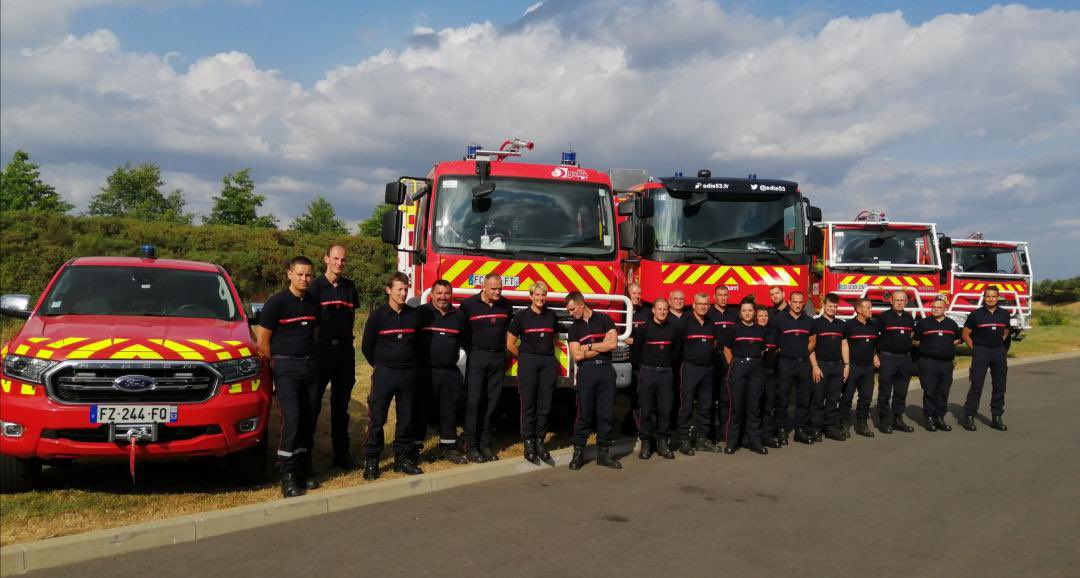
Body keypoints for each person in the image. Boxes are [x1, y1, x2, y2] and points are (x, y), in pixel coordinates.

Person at [257, 256, 321, 498]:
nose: (304, 279)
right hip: (286, 369)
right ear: (290, 274)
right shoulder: (277, 303)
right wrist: (277, 369)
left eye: (308, 275)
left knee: (308, 419)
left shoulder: (315, 303)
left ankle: (304, 467)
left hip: (310, 367)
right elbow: (262, 342)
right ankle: (288, 474)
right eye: (300, 274)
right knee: (292, 420)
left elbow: (314, 335)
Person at [360, 272, 422, 480]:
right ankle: (371, 460)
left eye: (406, 289)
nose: (404, 293)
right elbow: (367, 347)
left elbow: (419, 345)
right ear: (389, 290)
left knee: (406, 417)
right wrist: (382, 365)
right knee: (377, 418)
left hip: (409, 374)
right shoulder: (377, 316)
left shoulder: (414, 315)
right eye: (399, 290)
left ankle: (402, 458)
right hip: (385, 373)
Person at [310, 244, 361, 471]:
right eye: (336, 259)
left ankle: (341, 455)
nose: (339, 263)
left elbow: (350, 318)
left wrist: (348, 345)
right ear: (326, 259)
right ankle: (306, 457)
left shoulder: (350, 287)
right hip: (321, 352)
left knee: (341, 407)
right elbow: (311, 323)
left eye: (343, 260)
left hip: (343, 353)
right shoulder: (314, 287)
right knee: (312, 406)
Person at [460, 273, 514, 462]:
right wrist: (473, 350)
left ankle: (485, 444)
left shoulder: (507, 306)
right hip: (477, 356)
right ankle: (471, 445)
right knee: (474, 402)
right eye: (494, 288)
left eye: (500, 288)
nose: (498, 291)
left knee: (493, 402)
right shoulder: (468, 305)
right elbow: (463, 332)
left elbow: (508, 331)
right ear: (484, 287)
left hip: (498, 358)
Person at [566, 291, 622, 470]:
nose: (570, 313)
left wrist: (589, 346)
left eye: (572, 309)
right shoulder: (574, 328)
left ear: (582, 304)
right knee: (584, 414)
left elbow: (613, 344)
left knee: (605, 413)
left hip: (606, 370)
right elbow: (577, 355)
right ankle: (578, 453)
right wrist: (601, 346)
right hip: (587, 372)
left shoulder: (604, 319)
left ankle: (604, 453)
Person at [507, 282, 560, 465]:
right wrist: (523, 357)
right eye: (537, 295)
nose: (540, 298)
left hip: (547, 362)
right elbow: (510, 344)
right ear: (530, 296)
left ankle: (540, 442)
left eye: (543, 295)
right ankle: (528, 444)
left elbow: (555, 338)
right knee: (528, 404)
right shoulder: (521, 317)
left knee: (544, 405)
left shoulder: (552, 316)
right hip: (528, 360)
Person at [417, 279, 468, 464]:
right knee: (421, 410)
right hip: (425, 371)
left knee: (449, 410)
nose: (442, 297)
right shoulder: (421, 313)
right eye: (439, 293)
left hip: (449, 371)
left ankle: (448, 447)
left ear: (451, 295)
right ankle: (415, 448)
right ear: (432, 293)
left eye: (446, 293)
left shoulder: (459, 316)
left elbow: (465, 340)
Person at [631, 298, 679, 460]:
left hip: (666, 373)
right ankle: (646, 442)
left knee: (665, 410)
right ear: (653, 310)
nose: (663, 312)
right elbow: (636, 352)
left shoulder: (673, 329)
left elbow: (676, 352)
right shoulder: (643, 329)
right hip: (648, 373)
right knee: (646, 409)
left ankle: (662, 442)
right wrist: (642, 372)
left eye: (665, 309)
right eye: (659, 309)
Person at [676, 293, 722, 455]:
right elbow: (677, 346)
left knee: (706, 406)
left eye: (706, 304)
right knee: (686, 406)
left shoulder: (711, 323)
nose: (703, 306)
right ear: (694, 305)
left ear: (709, 306)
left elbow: (715, 344)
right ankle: (684, 440)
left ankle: (703, 439)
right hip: (690, 368)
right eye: (700, 304)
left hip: (707, 370)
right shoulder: (685, 322)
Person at [722, 297, 768, 454]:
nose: (747, 313)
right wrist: (733, 365)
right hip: (738, 368)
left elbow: (763, 349)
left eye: (750, 310)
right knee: (737, 406)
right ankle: (732, 442)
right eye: (744, 311)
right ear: (740, 313)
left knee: (754, 407)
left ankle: (754, 441)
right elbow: (727, 349)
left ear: (754, 313)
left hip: (755, 368)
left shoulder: (761, 330)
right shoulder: (733, 329)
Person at [961, 286, 1011, 431]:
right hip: (981, 351)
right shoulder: (975, 314)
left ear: (998, 297)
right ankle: (969, 416)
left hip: (998, 352)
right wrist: (975, 348)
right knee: (976, 385)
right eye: (988, 296)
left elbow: (1006, 331)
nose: (990, 299)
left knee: (1000, 386)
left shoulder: (1004, 314)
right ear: (984, 297)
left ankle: (997, 417)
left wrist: (1000, 344)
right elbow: (965, 334)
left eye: (993, 296)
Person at [773, 291, 815, 444]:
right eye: (795, 302)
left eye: (800, 302)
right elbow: (774, 342)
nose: (797, 305)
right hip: (786, 363)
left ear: (803, 303)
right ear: (789, 302)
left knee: (804, 398)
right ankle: (782, 430)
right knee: (782, 398)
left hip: (803, 363)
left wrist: (804, 352)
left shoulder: (809, 321)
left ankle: (800, 430)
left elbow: (813, 340)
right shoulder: (779, 320)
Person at [914, 297, 961, 431]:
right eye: (933, 307)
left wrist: (947, 345)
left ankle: (939, 417)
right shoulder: (923, 323)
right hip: (928, 362)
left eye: (938, 307)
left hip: (946, 363)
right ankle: (929, 418)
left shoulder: (951, 324)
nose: (935, 309)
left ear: (944, 309)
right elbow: (915, 340)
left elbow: (958, 339)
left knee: (943, 391)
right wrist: (927, 346)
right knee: (930, 390)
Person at [875, 291, 917, 434]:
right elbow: (874, 336)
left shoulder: (909, 317)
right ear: (891, 301)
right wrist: (875, 355)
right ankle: (884, 420)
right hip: (888, 358)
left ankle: (897, 419)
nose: (899, 302)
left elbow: (911, 334)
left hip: (905, 359)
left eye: (902, 300)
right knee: (885, 391)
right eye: (897, 300)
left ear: (906, 302)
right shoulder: (883, 317)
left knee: (901, 391)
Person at [810, 293, 849, 442]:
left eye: (835, 306)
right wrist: (814, 366)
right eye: (830, 306)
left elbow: (844, 344)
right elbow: (811, 346)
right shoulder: (816, 323)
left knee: (833, 399)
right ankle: (816, 428)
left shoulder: (841, 324)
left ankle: (830, 427)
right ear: (824, 306)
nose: (833, 309)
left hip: (837, 366)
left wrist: (846, 365)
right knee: (818, 399)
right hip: (821, 366)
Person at [841, 299, 879, 438]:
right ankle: (844, 423)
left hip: (868, 368)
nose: (871, 310)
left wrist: (875, 356)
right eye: (868, 307)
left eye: (871, 307)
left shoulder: (873, 325)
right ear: (858, 310)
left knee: (866, 398)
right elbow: (843, 345)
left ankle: (861, 424)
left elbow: (873, 344)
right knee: (847, 397)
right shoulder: (848, 326)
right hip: (853, 367)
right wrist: (846, 365)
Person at [708, 285, 738, 443]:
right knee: (710, 399)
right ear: (714, 297)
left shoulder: (733, 315)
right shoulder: (709, 315)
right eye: (720, 295)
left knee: (726, 398)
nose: (723, 298)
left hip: (730, 361)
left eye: (725, 295)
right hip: (713, 360)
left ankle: (725, 432)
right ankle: (711, 433)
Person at [757, 304, 783, 447]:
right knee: (755, 405)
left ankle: (766, 434)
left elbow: (778, 350)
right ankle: (754, 434)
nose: (763, 318)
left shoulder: (772, 333)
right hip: (755, 373)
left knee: (769, 404)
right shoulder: (752, 331)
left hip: (770, 373)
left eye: (765, 315)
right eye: (760, 316)